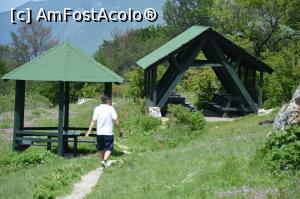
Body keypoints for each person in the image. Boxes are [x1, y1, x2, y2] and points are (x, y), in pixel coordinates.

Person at [85, 95, 123, 168]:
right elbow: (116, 120)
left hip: (99, 133)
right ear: (108, 101)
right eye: (110, 101)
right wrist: (119, 130)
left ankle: (102, 162)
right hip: (108, 133)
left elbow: (93, 120)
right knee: (109, 148)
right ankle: (104, 161)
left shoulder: (97, 108)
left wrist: (88, 131)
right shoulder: (111, 108)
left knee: (100, 148)